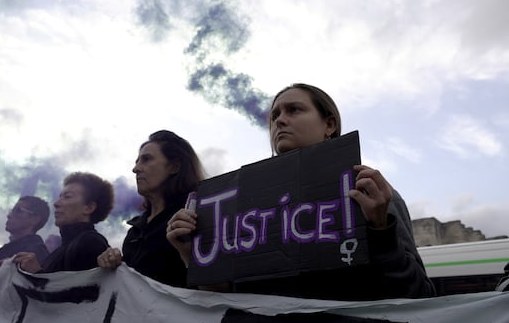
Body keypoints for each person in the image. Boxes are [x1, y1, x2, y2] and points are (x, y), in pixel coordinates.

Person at [166, 83, 436, 300]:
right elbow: (227, 300)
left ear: (329, 125)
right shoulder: (241, 209)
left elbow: (418, 296)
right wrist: (194, 256)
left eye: (294, 110)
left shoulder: (367, 192)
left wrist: (380, 230)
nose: (280, 121)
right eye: (274, 116)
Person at [96, 130, 205, 287]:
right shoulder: (134, 231)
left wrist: (190, 256)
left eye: (146, 159)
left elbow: (218, 289)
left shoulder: (196, 216)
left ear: (174, 166)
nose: (136, 169)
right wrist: (112, 262)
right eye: (137, 161)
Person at [13, 172, 114, 273]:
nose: (56, 203)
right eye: (60, 197)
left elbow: (81, 287)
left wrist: (36, 273)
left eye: (67, 197)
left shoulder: (90, 242)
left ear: (89, 208)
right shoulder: (61, 250)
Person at [0, 196, 50, 267]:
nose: (9, 215)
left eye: (18, 211)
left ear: (34, 220)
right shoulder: (7, 248)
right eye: (12, 210)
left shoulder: (34, 254)